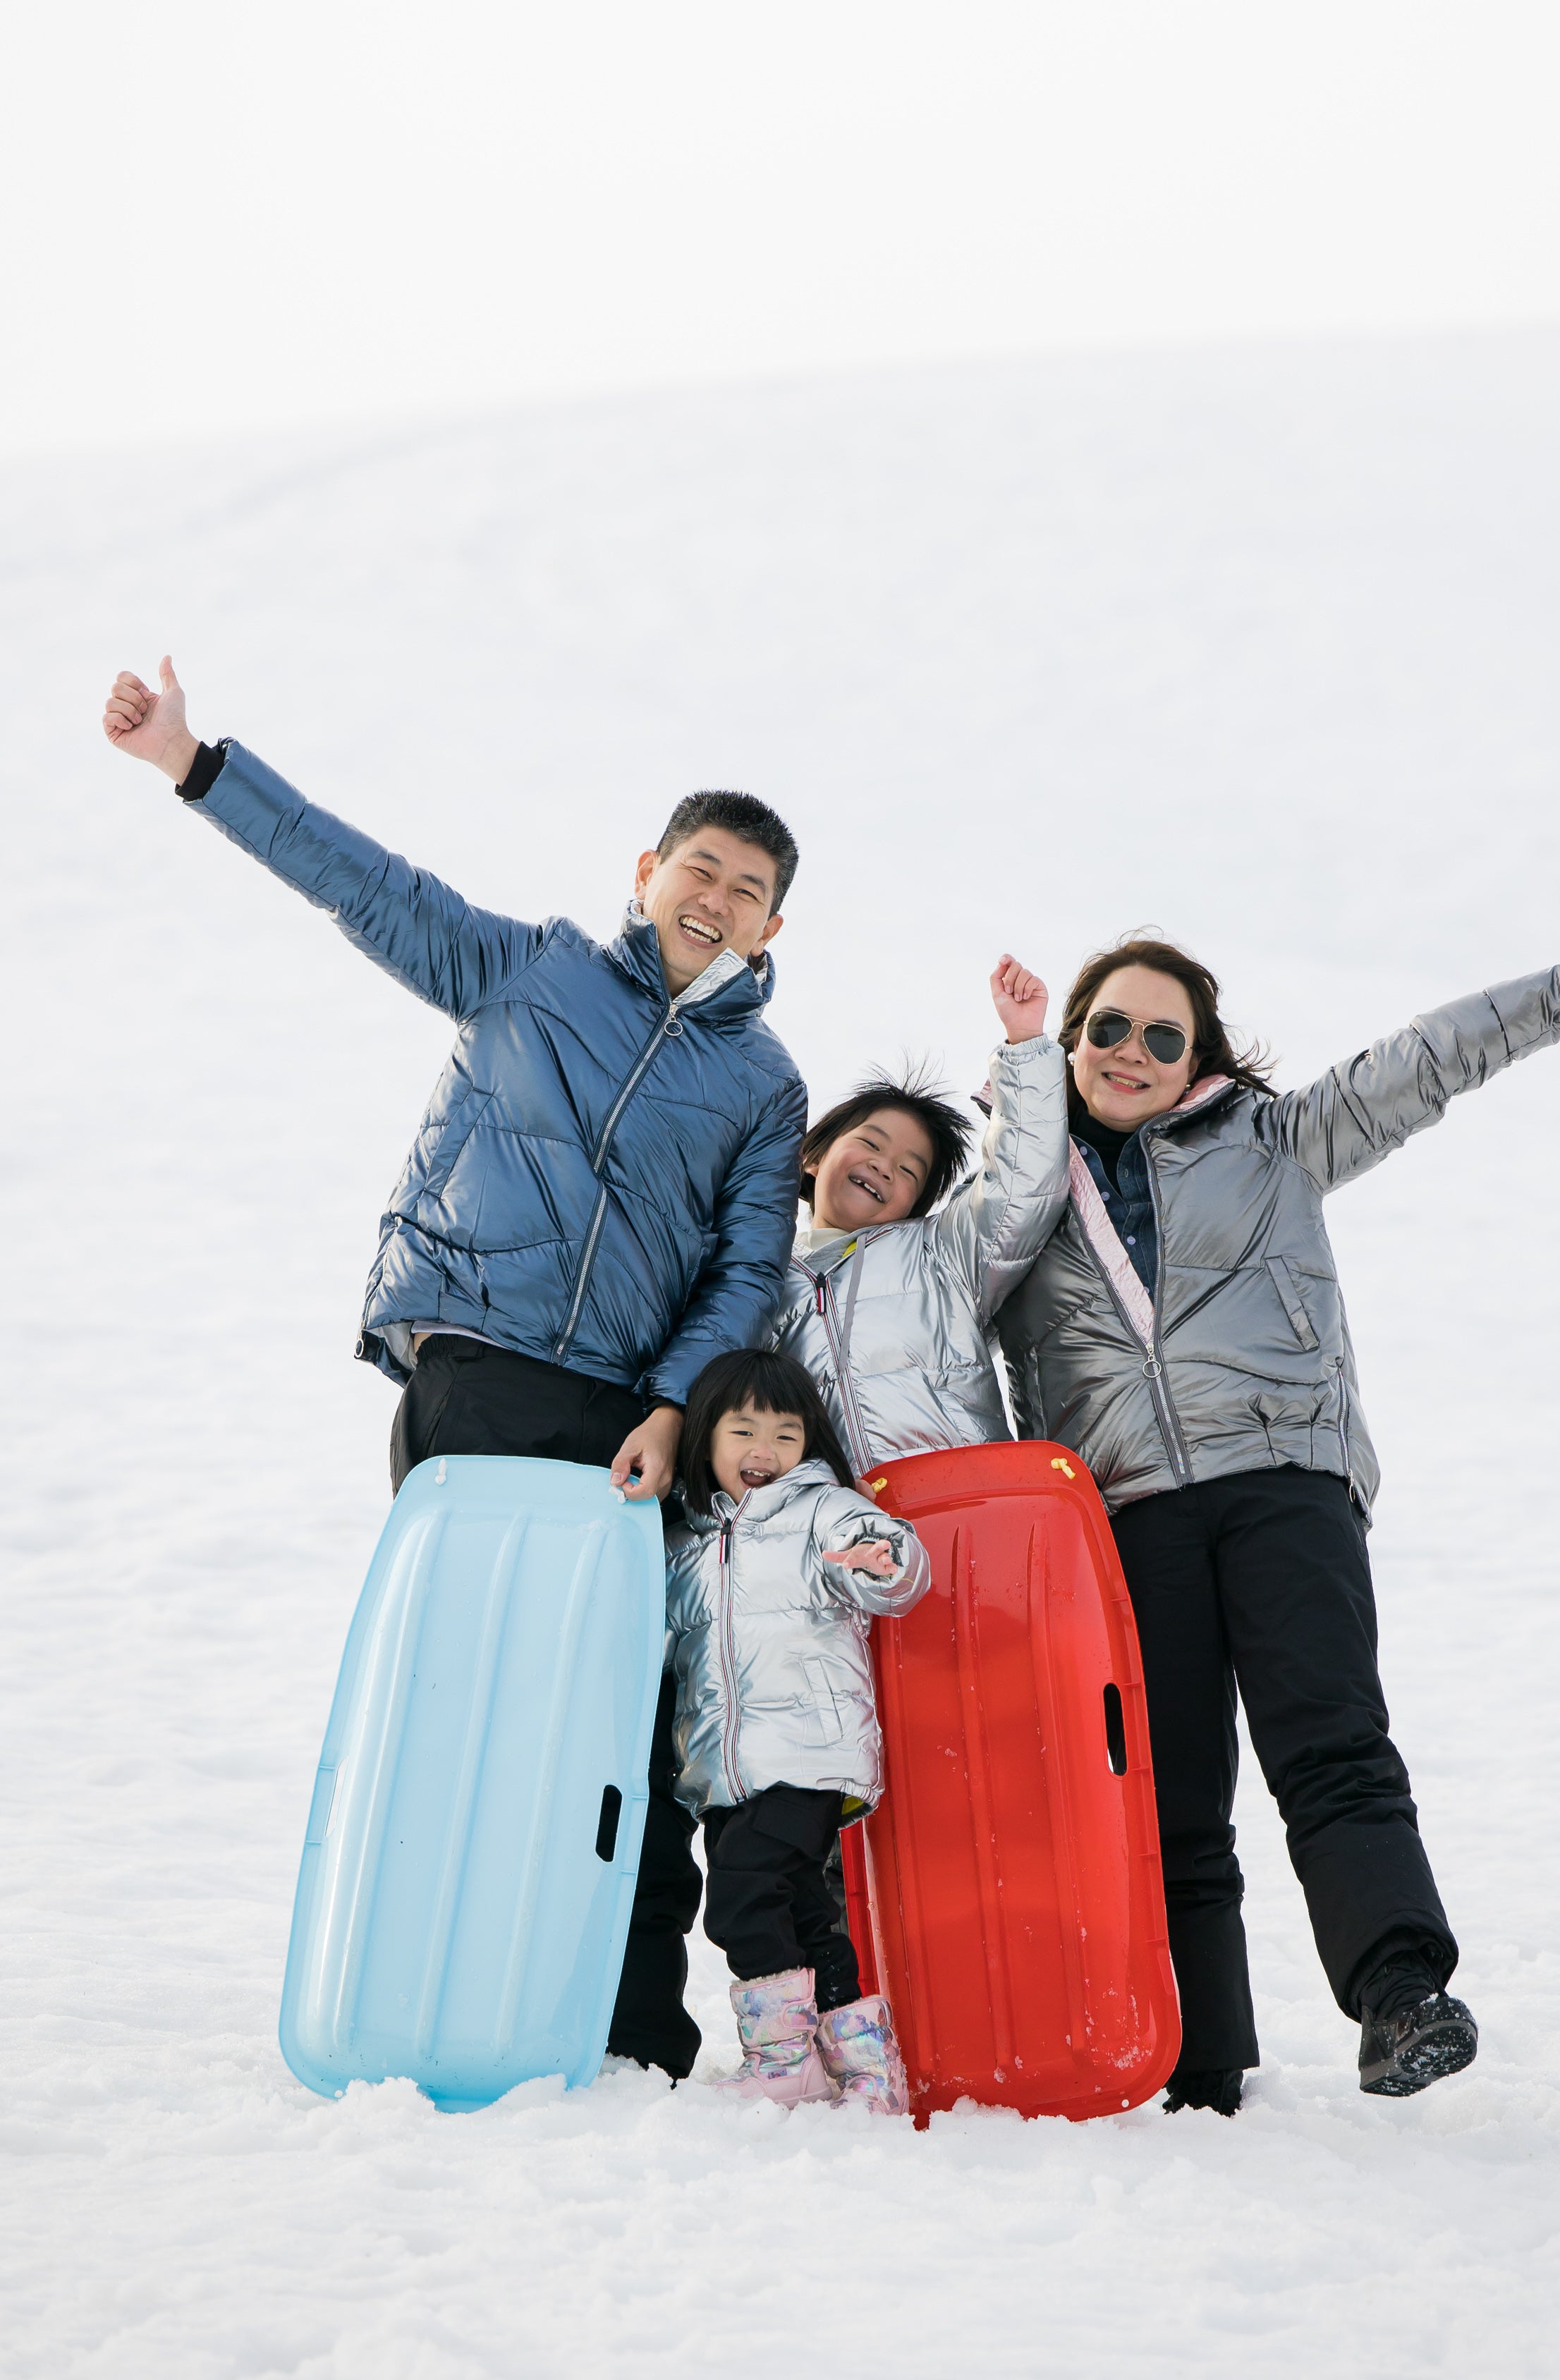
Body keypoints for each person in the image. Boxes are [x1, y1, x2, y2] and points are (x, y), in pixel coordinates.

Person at [99, 652, 809, 2082]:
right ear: (649, 869)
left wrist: (677, 1407)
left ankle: (626, 2031)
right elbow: (369, 887)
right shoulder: (531, 968)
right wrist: (197, 764)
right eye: (700, 868)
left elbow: (745, 1271)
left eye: (745, 888)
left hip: (628, 1421)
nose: (714, 899)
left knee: (619, 1721)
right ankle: (418, 1988)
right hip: (479, 1372)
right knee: (458, 1695)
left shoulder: (761, 1082)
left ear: (772, 921)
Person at [995, 891, 1560, 2113]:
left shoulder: (1275, 1141)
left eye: (1163, 1037)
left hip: (1282, 1478)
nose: (1131, 1054)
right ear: (1067, 1041)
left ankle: (1400, 1995)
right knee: (1173, 1794)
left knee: (1331, 1743)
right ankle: (1201, 2066)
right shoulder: (1016, 1199)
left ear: (1204, 1057)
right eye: (1109, 1030)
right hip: (1128, 1514)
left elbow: (1424, 1060)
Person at [662, 1349, 930, 2109]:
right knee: (803, 1907)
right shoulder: (684, 1545)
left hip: (810, 1751)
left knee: (743, 1898)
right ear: (705, 1440)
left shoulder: (822, 1510)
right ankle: (862, 2068)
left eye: (786, 1435)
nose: (764, 1452)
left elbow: (894, 1564)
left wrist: (880, 1559)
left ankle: (780, 2063)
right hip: (725, 1770)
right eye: (743, 1431)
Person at [771, 956, 1069, 1474]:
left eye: (909, 1171)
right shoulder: (756, 1276)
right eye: (870, 1143)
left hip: (960, 1499)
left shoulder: (941, 1256)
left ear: (914, 1208)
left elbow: (1022, 1188)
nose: (884, 1167)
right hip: (836, 1530)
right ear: (812, 1158)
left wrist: (1024, 1046)